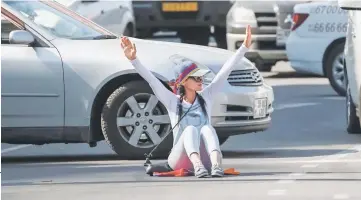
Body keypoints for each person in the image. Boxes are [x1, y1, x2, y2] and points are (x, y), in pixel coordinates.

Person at [120, 25, 252, 178]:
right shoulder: (172, 101)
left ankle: (216, 166)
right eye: (195, 77)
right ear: (183, 81)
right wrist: (133, 60)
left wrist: (244, 47)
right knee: (190, 130)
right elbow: (151, 80)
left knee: (207, 128)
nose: (200, 80)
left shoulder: (206, 96)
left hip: (207, 161)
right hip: (180, 160)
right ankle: (197, 166)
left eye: (201, 77)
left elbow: (225, 71)